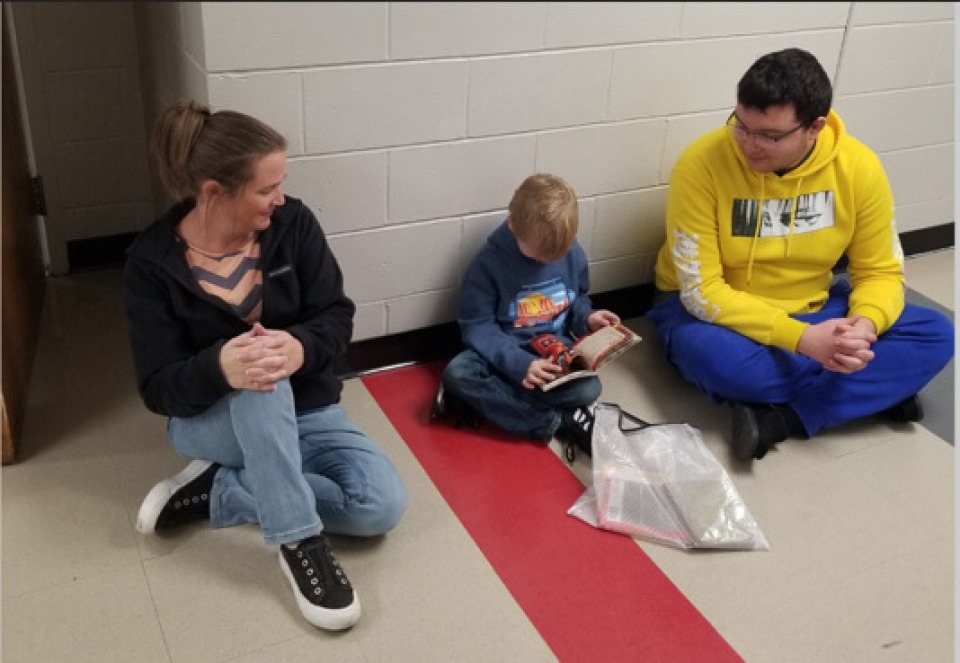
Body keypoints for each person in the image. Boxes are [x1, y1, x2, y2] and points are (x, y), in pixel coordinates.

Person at [123, 100, 408, 631]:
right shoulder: (151, 263)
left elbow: (334, 315)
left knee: (380, 507)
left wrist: (299, 347)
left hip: (308, 408)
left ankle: (224, 492)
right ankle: (299, 541)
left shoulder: (293, 224)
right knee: (259, 378)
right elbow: (158, 389)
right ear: (213, 192)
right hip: (209, 419)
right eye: (264, 189)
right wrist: (220, 368)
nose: (280, 199)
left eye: (280, 185)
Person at [646, 48, 954, 461]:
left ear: (815, 127)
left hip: (815, 306)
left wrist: (864, 324)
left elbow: (880, 271)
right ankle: (875, 391)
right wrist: (804, 340)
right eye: (741, 124)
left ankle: (784, 419)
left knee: (938, 333)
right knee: (723, 365)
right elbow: (701, 292)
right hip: (715, 315)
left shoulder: (859, 167)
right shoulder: (699, 164)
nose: (749, 145)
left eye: (770, 136)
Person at [433, 173, 622, 460]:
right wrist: (520, 365)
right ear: (512, 225)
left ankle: (494, 404)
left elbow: (575, 301)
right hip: (501, 354)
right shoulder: (488, 265)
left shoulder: (573, 254)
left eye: (555, 257)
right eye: (537, 257)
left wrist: (587, 318)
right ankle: (556, 422)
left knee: (590, 388)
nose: (546, 262)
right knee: (458, 374)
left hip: (551, 354)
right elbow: (477, 327)